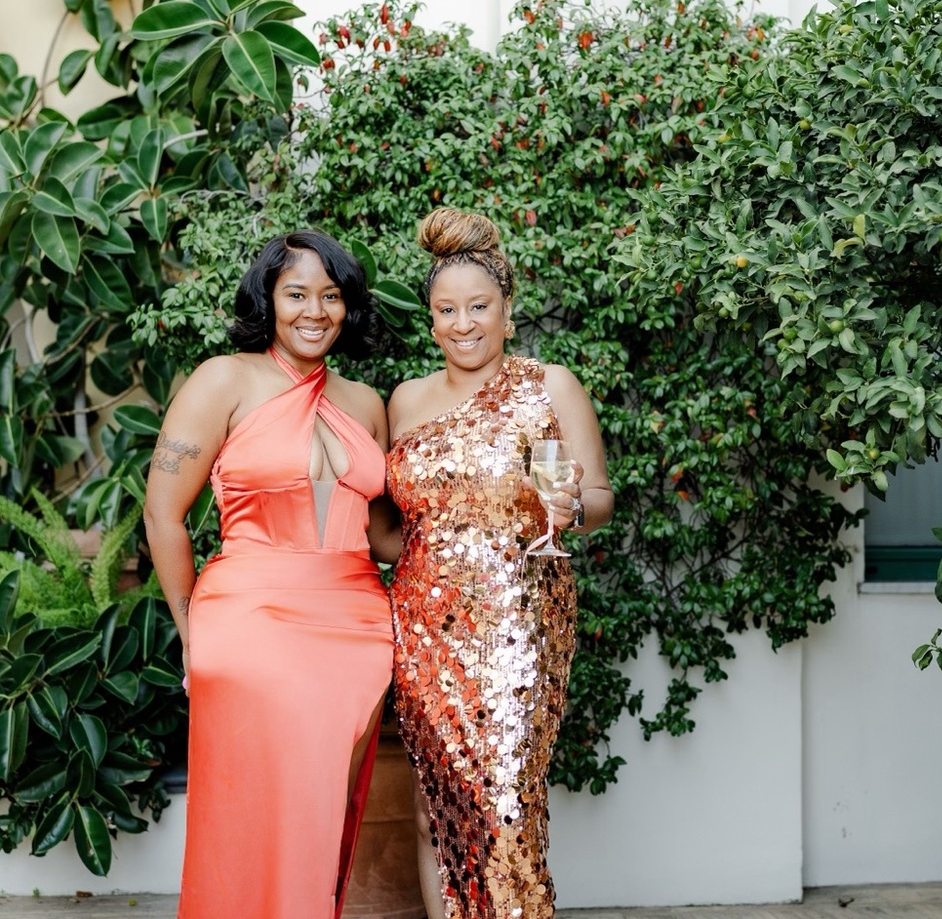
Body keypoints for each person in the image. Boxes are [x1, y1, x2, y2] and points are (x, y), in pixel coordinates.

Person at [142, 231, 395, 919]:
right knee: (254, 808)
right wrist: (191, 628)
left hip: (357, 623)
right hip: (247, 614)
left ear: (349, 308)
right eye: (296, 294)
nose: (315, 310)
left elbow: (384, 536)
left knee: (325, 811)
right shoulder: (223, 379)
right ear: (268, 300)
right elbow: (164, 513)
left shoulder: (367, 402)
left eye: (331, 296)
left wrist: (480, 516)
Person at [385, 207, 614, 919]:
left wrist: (574, 509)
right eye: (446, 310)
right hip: (424, 629)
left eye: (478, 307)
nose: (463, 324)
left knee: (508, 807)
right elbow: (399, 530)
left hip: (519, 622)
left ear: (507, 312)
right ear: (429, 320)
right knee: (439, 811)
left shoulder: (551, 386)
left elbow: (599, 494)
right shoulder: (406, 401)